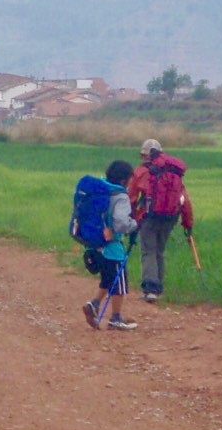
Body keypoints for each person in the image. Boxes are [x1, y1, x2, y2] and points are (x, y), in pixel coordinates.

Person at [128, 139, 194, 302]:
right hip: (171, 217)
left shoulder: (141, 172)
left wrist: (131, 220)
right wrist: (188, 223)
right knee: (159, 251)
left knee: (148, 250)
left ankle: (150, 289)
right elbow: (184, 200)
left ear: (145, 155)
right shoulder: (174, 172)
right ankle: (158, 288)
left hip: (149, 217)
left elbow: (131, 198)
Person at [82, 160, 139, 331]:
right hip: (113, 248)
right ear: (123, 180)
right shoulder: (120, 196)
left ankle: (94, 304)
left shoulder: (101, 190)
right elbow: (121, 223)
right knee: (119, 283)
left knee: (108, 278)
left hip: (96, 246)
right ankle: (115, 318)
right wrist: (134, 225)